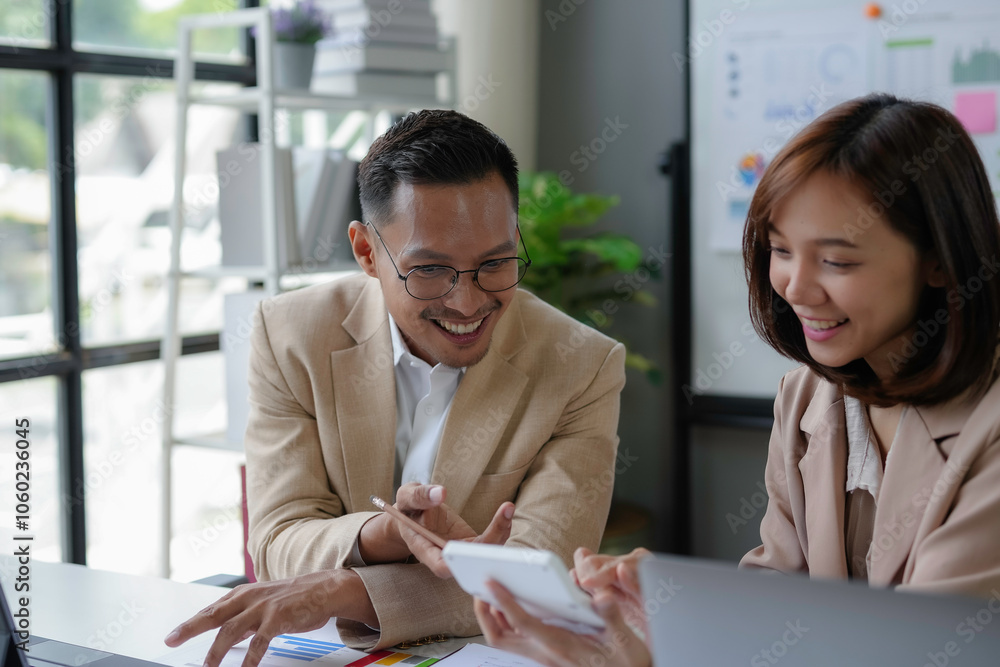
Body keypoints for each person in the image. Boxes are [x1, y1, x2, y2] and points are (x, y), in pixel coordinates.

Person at [395, 94, 1000, 666]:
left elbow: (931, 650)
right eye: (780, 249)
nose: (793, 286)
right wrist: (659, 607)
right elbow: (779, 606)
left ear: (942, 260)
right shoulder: (811, 397)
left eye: (837, 260)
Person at [163, 109, 626, 661]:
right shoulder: (291, 335)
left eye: (496, 262)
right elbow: (276, 543)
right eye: (429, 270)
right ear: (366, 252)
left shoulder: (582, 364)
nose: (468, 302)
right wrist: (377, 537)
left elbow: (542, 578)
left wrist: (345, 588)